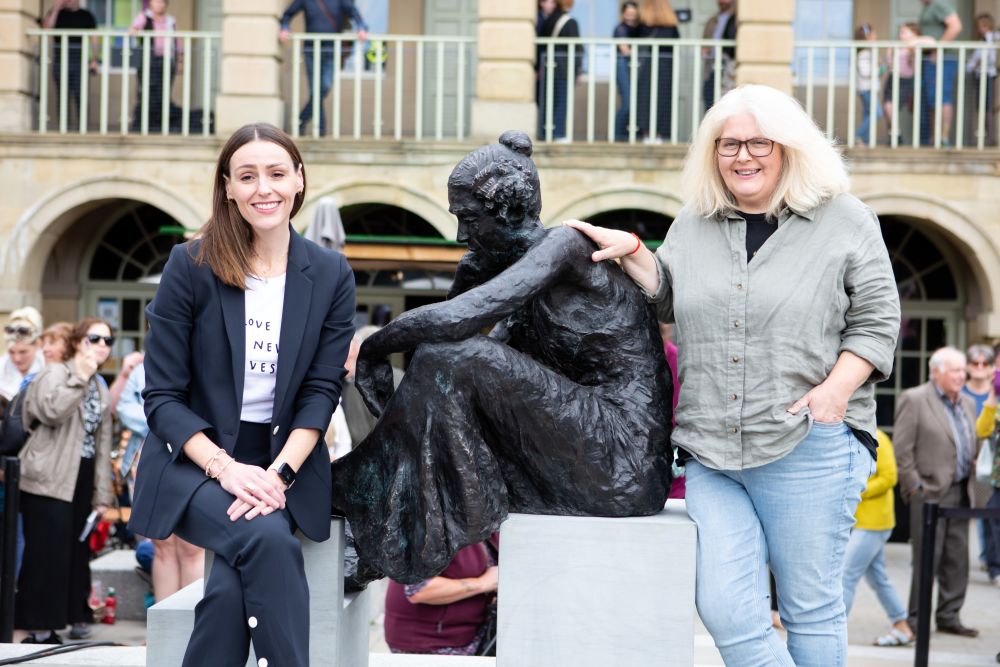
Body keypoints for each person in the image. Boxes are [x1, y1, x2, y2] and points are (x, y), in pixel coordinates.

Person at [566, 84, 900, 666]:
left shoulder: (845, 219)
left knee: (808, 608)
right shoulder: (694, 223)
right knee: (724, 606)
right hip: (712, 450)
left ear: (788, 147)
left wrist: (834, 392)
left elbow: (877, 321)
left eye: (757, 142)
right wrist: (634, 252)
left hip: (807, 442)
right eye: (727, 145)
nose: (742, 156)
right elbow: (670, 296)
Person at [331, 130, 673, 584]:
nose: (460, 234)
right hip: (576, 452)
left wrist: (375, 345)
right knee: (451, 357)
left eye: (469, 219)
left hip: (621, 455)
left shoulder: (565, 247)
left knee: (459, 354)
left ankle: (372, 521)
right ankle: (375, 516)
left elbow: (458, 322)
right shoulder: (492, 264)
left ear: (509, 210)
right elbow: (430, 366)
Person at [128, 122, 355, 667]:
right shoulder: (191, 265)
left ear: (299, 180)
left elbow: (322, 391)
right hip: (193, 459)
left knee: (230, 593)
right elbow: (160, 397)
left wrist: (277, 476)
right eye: (247, 176)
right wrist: (227, 469)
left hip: (284, 462)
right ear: (227, 186)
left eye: (277, 173)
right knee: (269, 542)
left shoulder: (329, 273)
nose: (264, 189)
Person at [16, 317, 115, 643]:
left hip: (82, 474)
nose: (102, 345)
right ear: (77, 341)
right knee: (46, 552)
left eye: (107, 341)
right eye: (95, 338)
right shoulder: (56, 373)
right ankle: (40, 628)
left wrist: (102, 494)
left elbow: (101, 442)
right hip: (49, 475)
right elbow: (51, 411)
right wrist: (80, 376)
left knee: (74, 551)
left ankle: (68, 617)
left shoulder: (99, 384)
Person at [894, 346, 979, 637]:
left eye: (962, 370)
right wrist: (915, 489)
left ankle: (949, 615)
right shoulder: (915, 399)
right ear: (936, 372)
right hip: (928, 493)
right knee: (927, 558)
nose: (961, 375)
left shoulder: (967, 403)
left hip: (962, 491)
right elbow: (902, 451)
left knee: (957, 559)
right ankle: (917, 620)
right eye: (955, 370)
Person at [115, 354, 205, 602]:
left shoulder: (206, 360)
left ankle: (192, 629)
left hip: (197, 457)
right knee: (161, 544)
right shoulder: (144, 369)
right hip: (150, 456)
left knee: (192, 547)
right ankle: (162, 628)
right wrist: (164, 419)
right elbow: (125, 409)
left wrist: (167, 419)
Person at [842, 429, 915, 647]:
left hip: (874, 522)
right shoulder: (851, 434)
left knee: (845, 574)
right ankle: (902, 626)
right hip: (862, 521)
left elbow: (890, 477)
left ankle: (832, 629)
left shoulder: (879, 437)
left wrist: (855, 490)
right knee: (878, 579)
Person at [384, 540, 498, 655]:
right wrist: (482, 583)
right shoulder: (434, 526)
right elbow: (419, 589)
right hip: (429, 643)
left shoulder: (488, 526)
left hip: (469, 636)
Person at [278, 0, 369, 136]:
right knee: (316, 90)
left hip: (331, 50)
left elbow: (353, 13)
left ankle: (301, 119)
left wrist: (361, 28)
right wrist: (285, 28)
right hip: (310, 50)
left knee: (324, 87)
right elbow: (287, 14)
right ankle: (320, 130)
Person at [41, 0, 98, 130]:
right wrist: (55, 9)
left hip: (80, 62)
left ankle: (83, 129)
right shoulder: (57, 13)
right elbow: (46, 29)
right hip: (60, 61)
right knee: (62, 97)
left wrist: (95, 59)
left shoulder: (86, 15)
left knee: (81, 96)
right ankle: (63, 129)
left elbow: (94, 38)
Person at [128, 0, 183, 132]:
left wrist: (180, 61)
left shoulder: (170, 20)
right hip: (148, 60)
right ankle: (142, 125)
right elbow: (132, 30)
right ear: (151, 4)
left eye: (162, 2)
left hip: (166, 60)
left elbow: (177, 42)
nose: (160, 4)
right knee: (146, 93)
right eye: (157, 1)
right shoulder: (144, 17)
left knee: (163, 94)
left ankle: (157, 125)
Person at [536, 0, 582, 142]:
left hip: (547, 67)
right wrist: (579, 70)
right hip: (564, 69)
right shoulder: (570, 22)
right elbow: (576, 49)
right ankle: (559, 134)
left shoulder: (547, 21)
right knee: (562, 102)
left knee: (547, 101)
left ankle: (544, 133)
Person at [918, 0, 962, 146]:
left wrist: (938, 49)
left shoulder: (940, 4)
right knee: (932, 100)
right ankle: (934, 138)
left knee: (942, 98)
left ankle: (943, 138)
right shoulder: (929, 7)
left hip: (944, 60)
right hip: (930, 60)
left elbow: (955, 26)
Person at [636, 0, 680, 144]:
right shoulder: (671, 26)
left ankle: (647, 133)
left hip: (647, 67)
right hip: (666, 67)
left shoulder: (643, 25)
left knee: (645, 99)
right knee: (663, 99)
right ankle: (660, 134)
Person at [973, 370, 1000, 588]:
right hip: (998, 481)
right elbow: (982, 430)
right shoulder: (996, 407)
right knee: (993, 516)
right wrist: (993, 393)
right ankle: (995, 567)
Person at [883, 23, 931, 145]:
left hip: (905, 82)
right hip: (893, 79)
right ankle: (895, 134)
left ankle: (895, 135)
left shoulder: (914, 47)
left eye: (904, 32)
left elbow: (931, 42)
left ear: (914, 34)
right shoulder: (895, 47)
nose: (901, 35)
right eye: (900, 32)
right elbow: (887, 64)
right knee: (887, 107)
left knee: (891, 107)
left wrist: (913, 42)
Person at [1, 307, 46, 403]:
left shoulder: (48, 368)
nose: (17, 359)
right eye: (11, 352)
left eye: (23, 352)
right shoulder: (2, 366)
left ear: (38, 344)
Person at [967, 13, 999, 145]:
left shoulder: (992, 38)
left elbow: (995, 39)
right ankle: (982, 137)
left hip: (990, 76)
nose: (982, 29)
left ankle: (990, 136)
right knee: (980, 108)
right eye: (980, 26)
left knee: (988, 108)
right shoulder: (979, 44)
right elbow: (969, 65)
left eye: (985, 26)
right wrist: (975, 65)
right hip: (979, 76)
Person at [701, 0, 736, 112]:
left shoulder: (736, 19)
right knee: (709, 98)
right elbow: (705, 41)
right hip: (712, 66)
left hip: (728, 66)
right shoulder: (712, 21)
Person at [613, 2, 641, 141]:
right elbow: (624, 50)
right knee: (628, 102)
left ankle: (631, 133)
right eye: (628, 14)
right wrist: (640, 52)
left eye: (633, 14)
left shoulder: (640, 28)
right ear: (623, 14)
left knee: (637, 102)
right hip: (623, 66)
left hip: (636, 67)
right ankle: (617, 134)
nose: (631, 17)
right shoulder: (620, 28)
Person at [855, 23, 885, 145]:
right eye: (873, 35)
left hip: (869, 88)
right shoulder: (863, 54)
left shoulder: (869, 53)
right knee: (876, 113)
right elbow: (865, 72)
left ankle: (863, 140)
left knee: (868, 114)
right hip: (866, 89)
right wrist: (880, 69)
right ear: (867, 38)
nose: (876, 36)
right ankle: (857, 135)